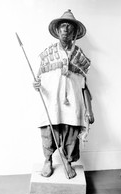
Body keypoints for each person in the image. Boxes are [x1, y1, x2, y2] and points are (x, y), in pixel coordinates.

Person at [33, 9, 94, 179]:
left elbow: (84, 86)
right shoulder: (48, 54)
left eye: (69, 27)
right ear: (57, 31)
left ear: (74, 32)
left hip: (72, 102)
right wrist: (36, 84)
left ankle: (68, 161)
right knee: (48, 130)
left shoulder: (79, 55)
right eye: (62, 26)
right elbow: (39, 79)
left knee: (71, 131)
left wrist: (90, 109)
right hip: (51, 101)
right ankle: (48, 160)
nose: (66, 29)